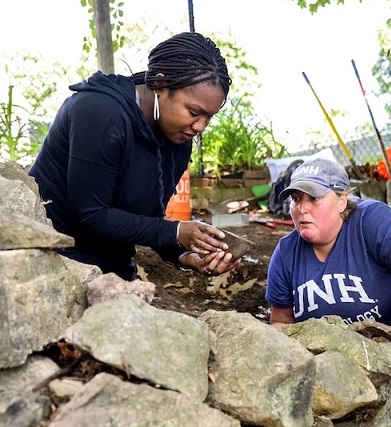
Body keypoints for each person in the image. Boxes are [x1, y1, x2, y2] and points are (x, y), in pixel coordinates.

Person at [28, 32, 240, 281]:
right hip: (54, 260)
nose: (200, 127)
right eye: (194, 112)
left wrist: (183, 255)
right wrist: (176, 231)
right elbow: (90, 213)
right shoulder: (101, 112)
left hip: (113, 263)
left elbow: (148, 220)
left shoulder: (178, 138)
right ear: (160, 85)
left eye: (209, 117)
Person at [265, 158, 391, 344]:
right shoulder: (286, 253)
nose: (302, 208)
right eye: (296, 199)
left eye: (313, 198)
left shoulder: (370, 220)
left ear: (342, 201)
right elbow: (281, 321)